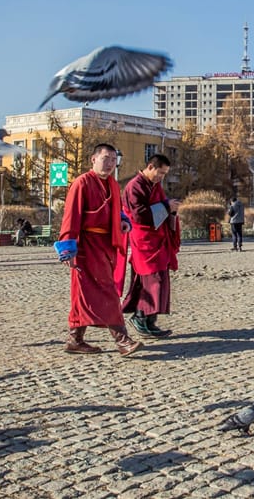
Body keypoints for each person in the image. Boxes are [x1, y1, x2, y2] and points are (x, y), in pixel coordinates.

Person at [55, 143, 142, 357]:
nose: (110, 164)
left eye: (114, 160)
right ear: (93, 159)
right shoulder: (81, 183)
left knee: (82, 294)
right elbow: (71, 216)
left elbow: (117, 210)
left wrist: (122, 221)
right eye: (106, 158)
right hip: (86, 246)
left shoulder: (112, 184)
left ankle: (75, 339)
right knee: (107, 291)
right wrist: (68, 247)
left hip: (105, 245)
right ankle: (122, 340)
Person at [121, 154, 181, 337]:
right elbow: (139, 215)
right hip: (144, 240)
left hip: (157, 239)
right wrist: (166, 206)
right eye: (161, 173)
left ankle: (149, 321)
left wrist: (171, 210)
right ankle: (140, 318)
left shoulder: (154, 186)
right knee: (153, 280)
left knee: (159, 279)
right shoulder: (135, 186)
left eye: (164, 174)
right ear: (150, 166)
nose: (161, 177)